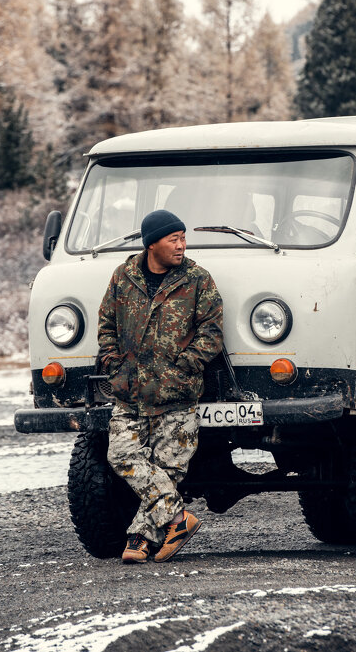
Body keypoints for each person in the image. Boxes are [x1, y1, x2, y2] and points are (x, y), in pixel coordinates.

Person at [97, 209, 223, 564]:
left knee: (168, 469)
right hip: (130, 394)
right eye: (174, 239)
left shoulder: (198, 279)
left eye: (184, 238)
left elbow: (211, 333)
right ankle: (179, 518)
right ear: (152, 243)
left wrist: (186, 366)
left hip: (176, 396)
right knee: (120, 455)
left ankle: (138, 539)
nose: (182, 245)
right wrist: (112, 361)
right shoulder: (124, 276)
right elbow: (106, 323)